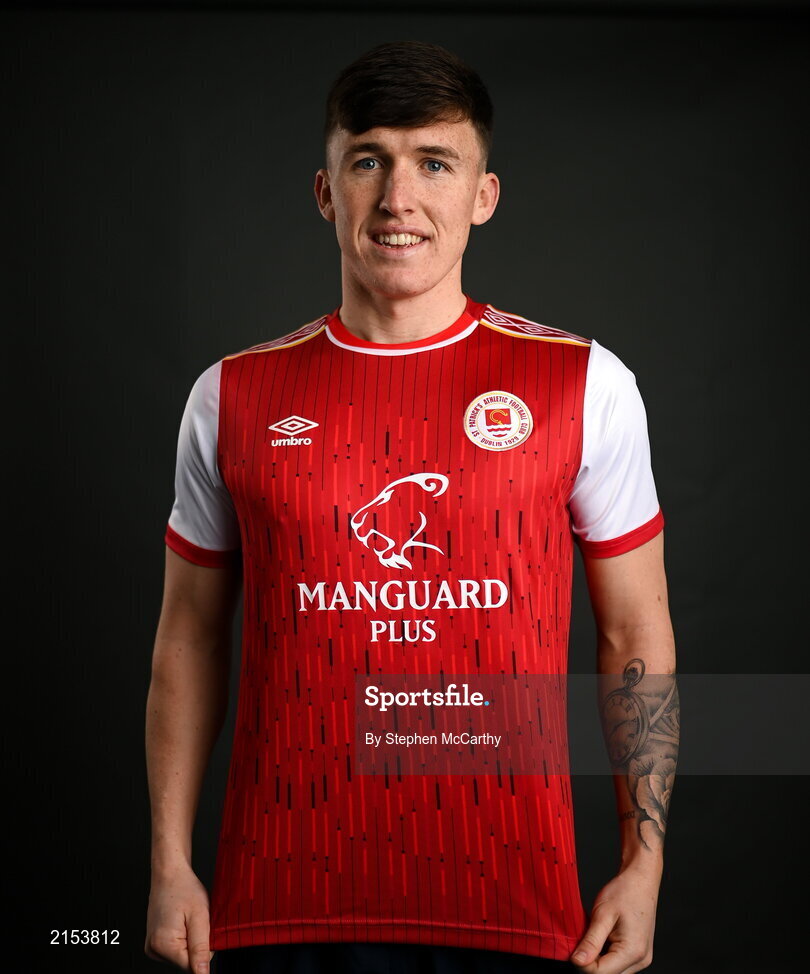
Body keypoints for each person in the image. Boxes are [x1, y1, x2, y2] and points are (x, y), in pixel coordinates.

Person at [145, 40, 679, 974]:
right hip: (280, 905)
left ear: (483, 196)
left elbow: (635, 634)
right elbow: (187, 640)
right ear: (326, 191)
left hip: (514, 905)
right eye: (369, 161)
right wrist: (169, 863)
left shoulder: (583, 385)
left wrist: (647, 864)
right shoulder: (230, 396)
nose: (399, 197)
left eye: (435, 163)